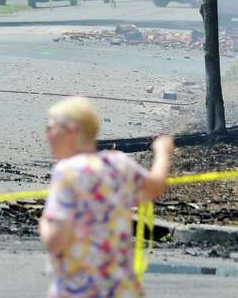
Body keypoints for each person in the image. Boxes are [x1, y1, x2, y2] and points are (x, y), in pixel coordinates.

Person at [39, 97, 175, 298]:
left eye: (50, 128)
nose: (46, 135)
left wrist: (44, 222)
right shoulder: (118, 163)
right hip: (123, 290)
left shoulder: (67, 172)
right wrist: (163, 151)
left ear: (71, 131)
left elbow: (56, 240)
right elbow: (155, 187)